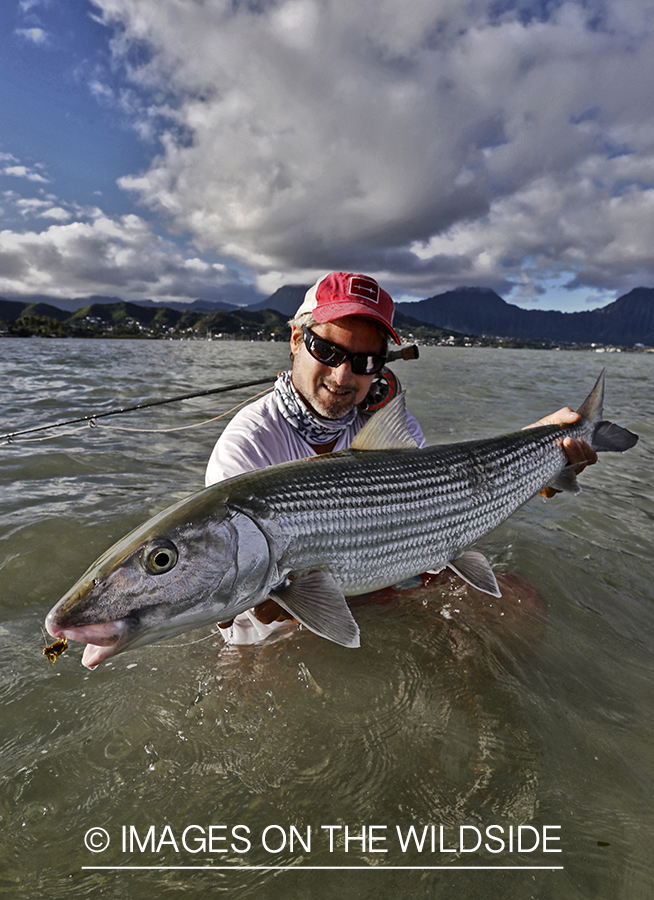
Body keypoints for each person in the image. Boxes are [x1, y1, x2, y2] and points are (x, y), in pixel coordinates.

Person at [205, 271, 597, 644]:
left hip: (381, 592)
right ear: (295, 339)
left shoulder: (384, 417)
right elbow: (257, 605)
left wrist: (540, 459)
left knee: (521, 602)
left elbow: (442, 496)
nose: (343, 377)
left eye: (365, 363)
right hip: (281, 634)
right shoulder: (246, 445)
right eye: (326, 350)